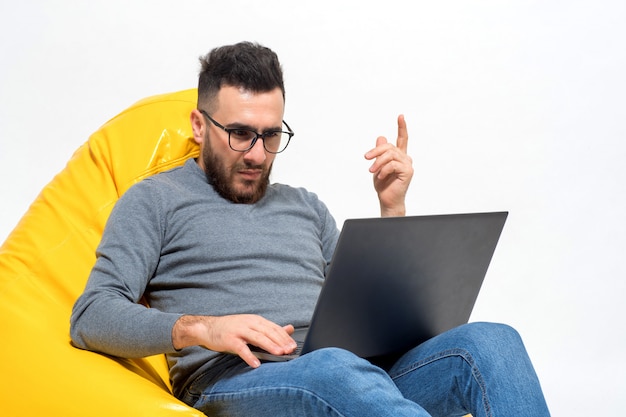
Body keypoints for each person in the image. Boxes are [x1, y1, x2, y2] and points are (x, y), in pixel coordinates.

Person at [70, 41, 550, 417]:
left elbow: (372, 316)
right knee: (334, 367)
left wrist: (393, 210)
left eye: (272, 135)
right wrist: (205, 328)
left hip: (353, 376)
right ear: (199, 125)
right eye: (240, 133)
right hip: (237, 380)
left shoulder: (305, 206)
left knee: (490, 340)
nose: (257, 154)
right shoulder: (154, 200)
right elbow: (91, 316)